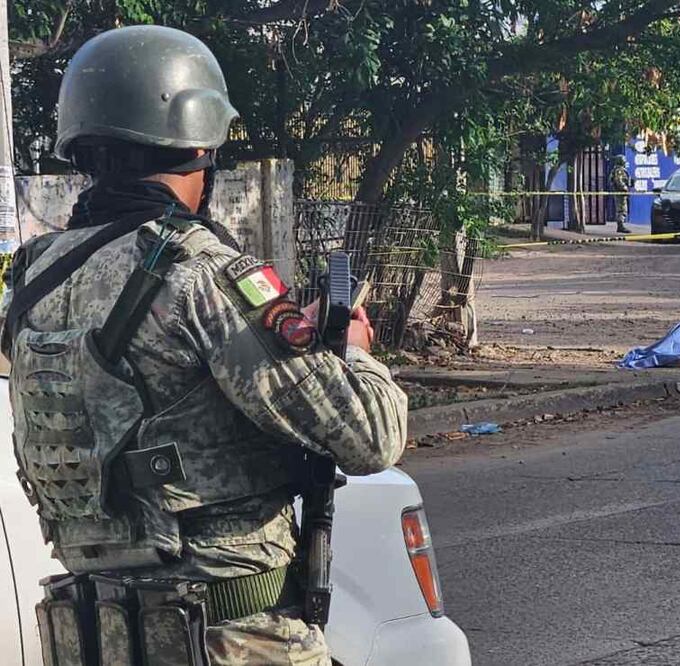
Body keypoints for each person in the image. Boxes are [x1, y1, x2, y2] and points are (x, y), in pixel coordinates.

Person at [0, 26, 408, 665]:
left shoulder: (29, 280)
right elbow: (370, 436)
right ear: (197, 140)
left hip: (96, 641)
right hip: (234, 640)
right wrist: (351, 349)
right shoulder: (199, 275)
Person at [609, 155, 632, 233]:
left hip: (621, 192)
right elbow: (619, 181)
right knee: (622, 209)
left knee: (622, 209)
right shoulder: (619, 170)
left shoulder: (618, 169)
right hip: (620, 192)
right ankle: (620, 226)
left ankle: (621, 225)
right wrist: (625, 188)